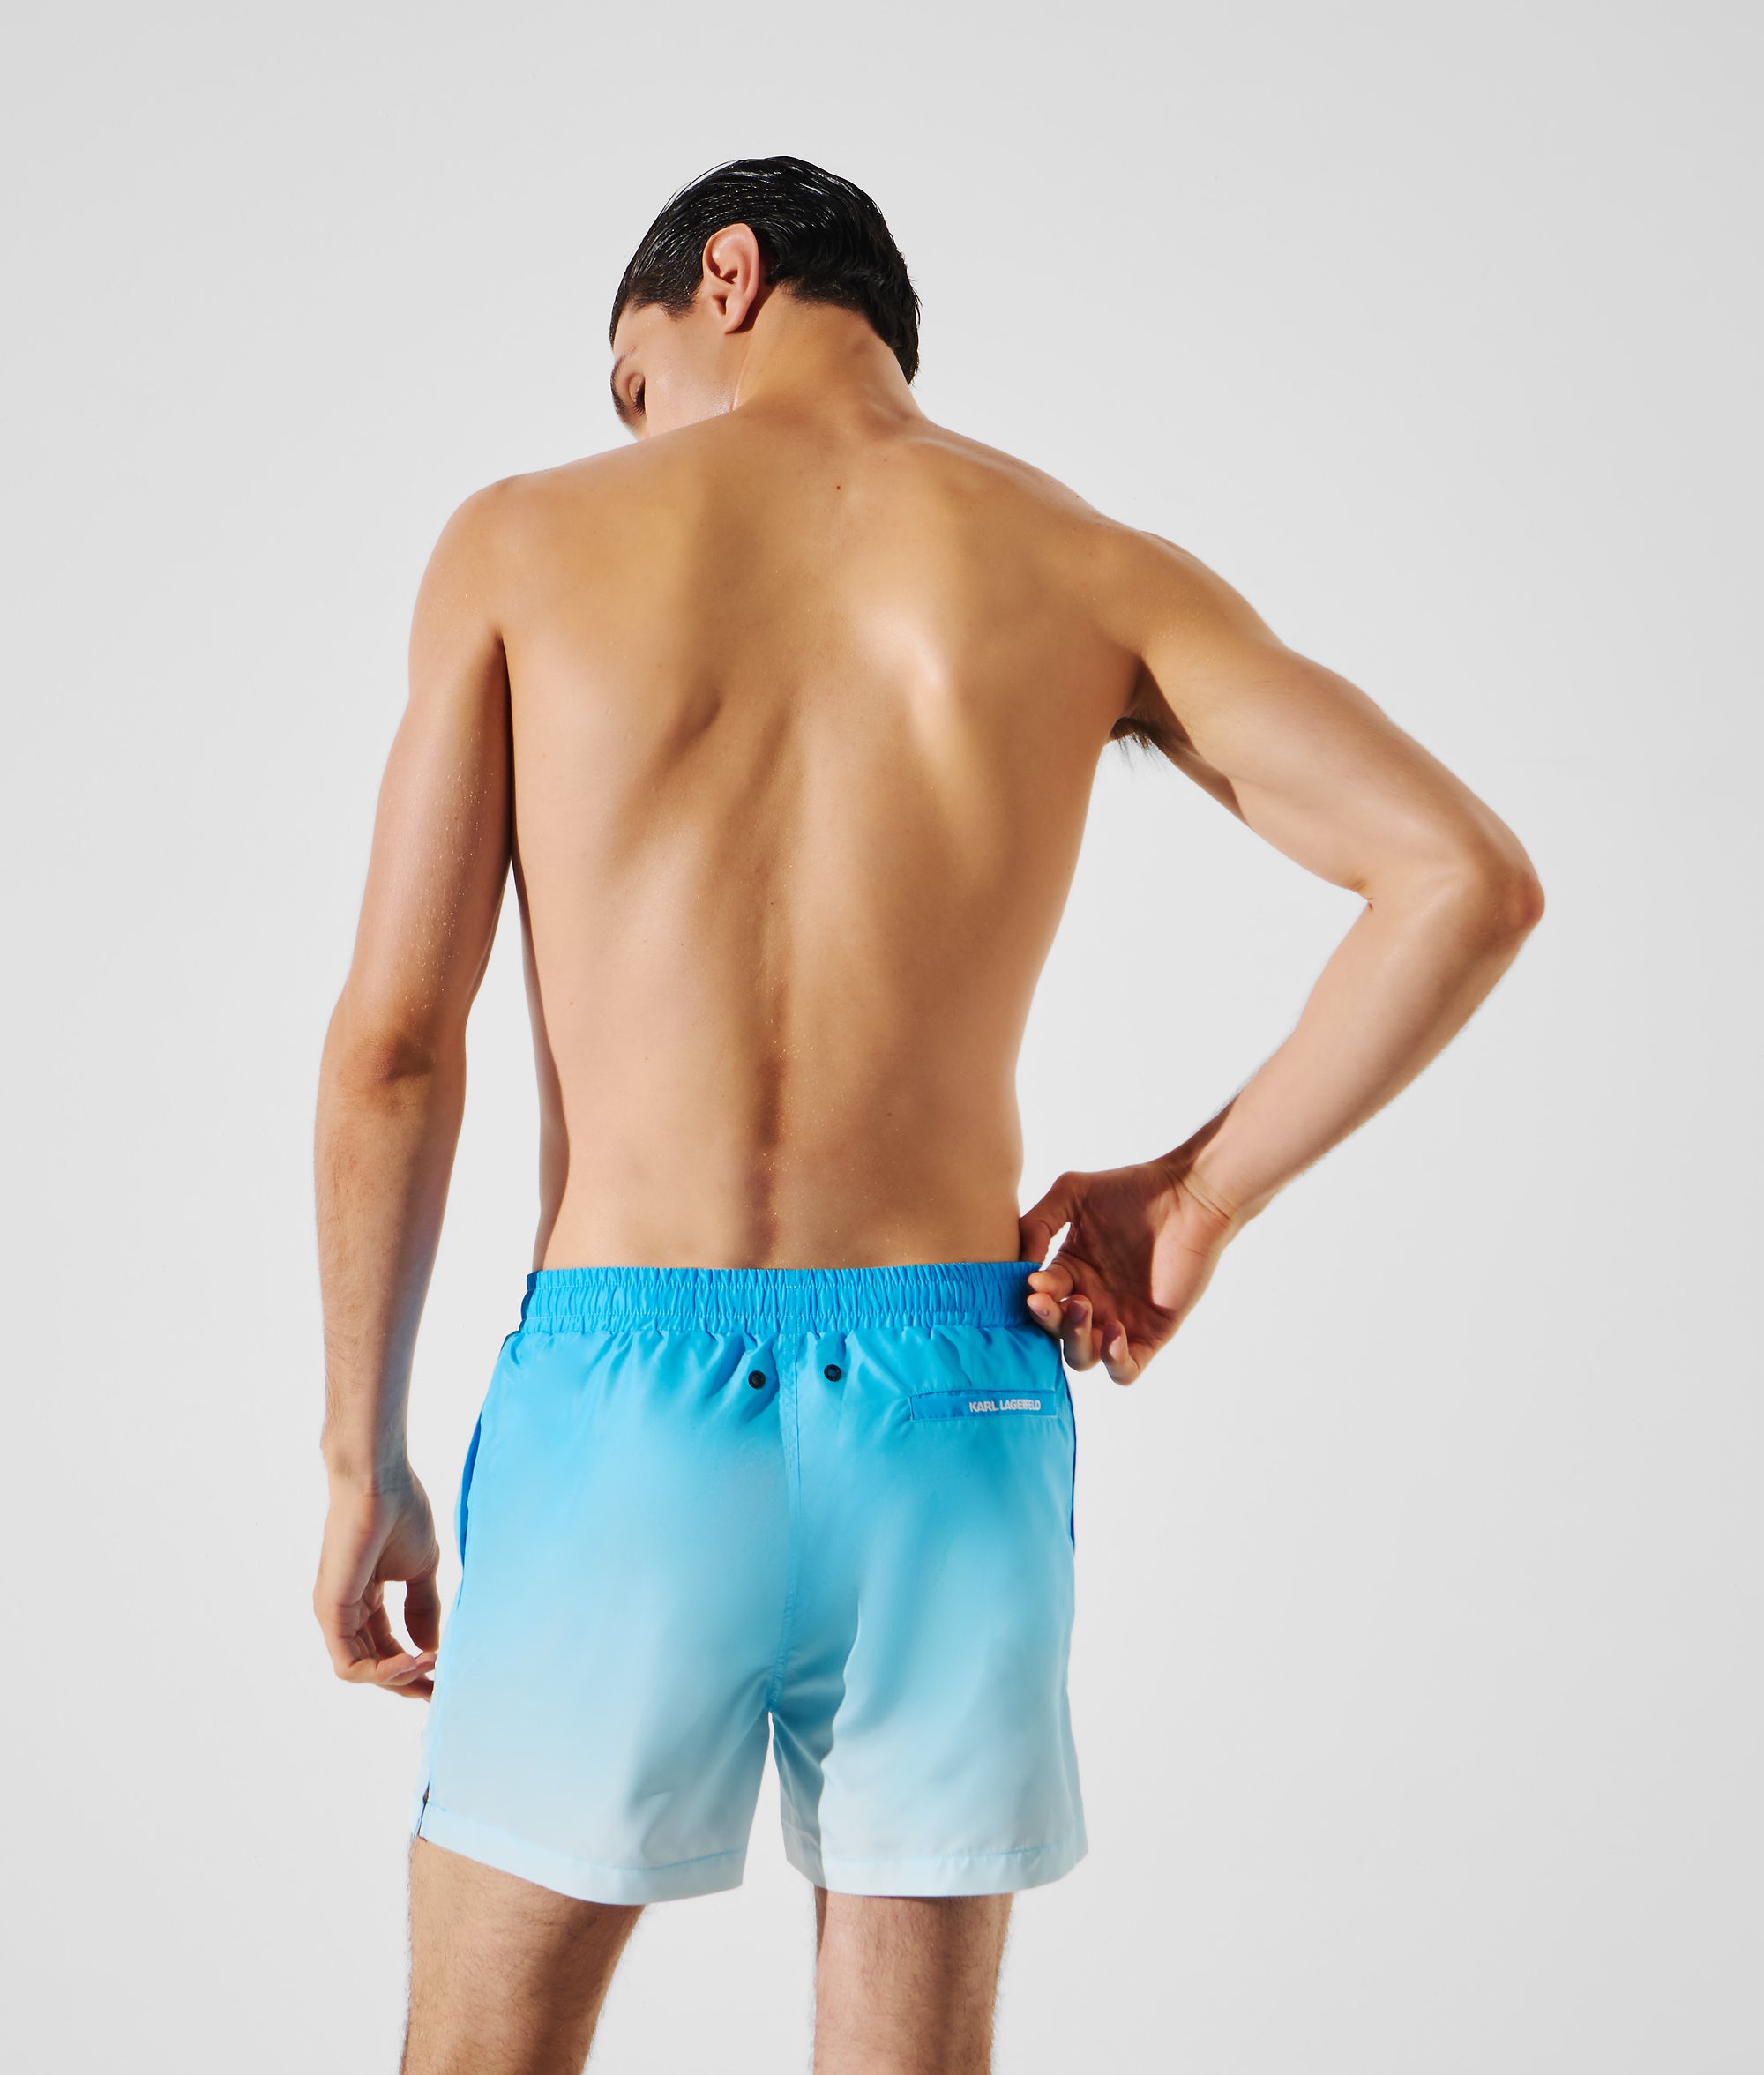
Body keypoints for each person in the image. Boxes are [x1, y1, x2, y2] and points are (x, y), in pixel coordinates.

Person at [312, 155, 1544, 2073]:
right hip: (954, 1406)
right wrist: (1198, 1196)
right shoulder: (1090, 567)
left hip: (627, 1393)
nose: (632, 435)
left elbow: (397, 1042)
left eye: (633, 385)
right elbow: (1463, 879)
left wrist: (360, 1458)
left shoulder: (523, 544)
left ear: (725, 277)